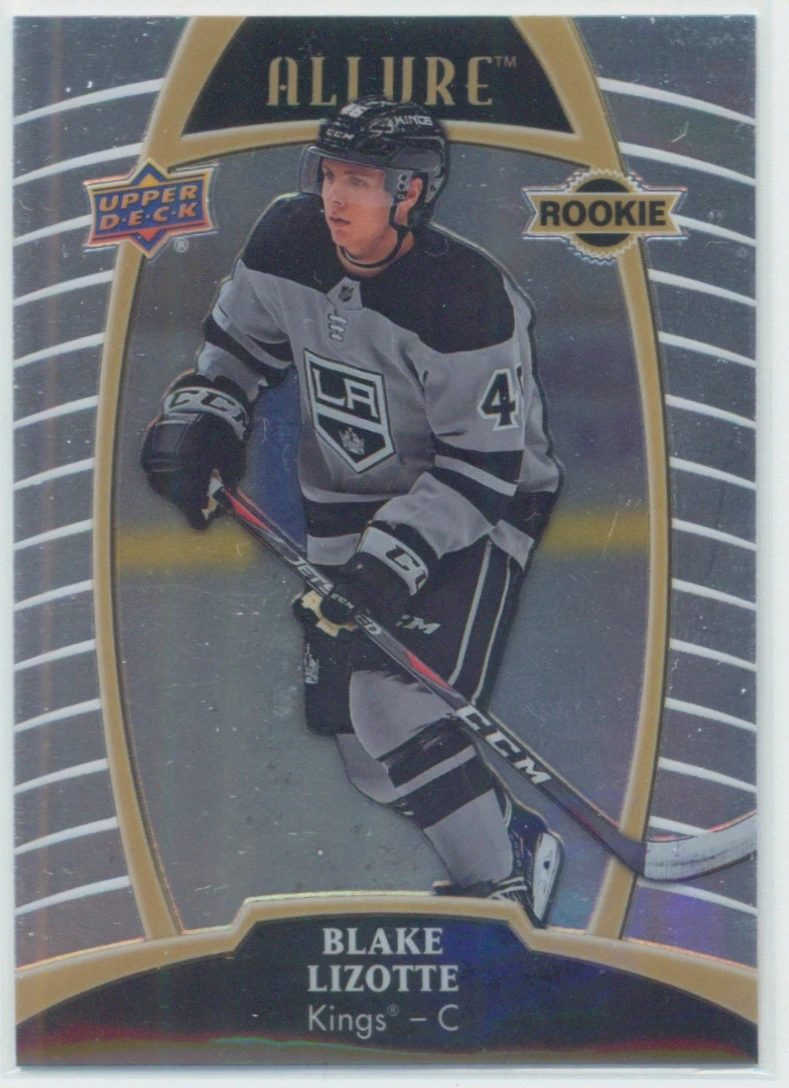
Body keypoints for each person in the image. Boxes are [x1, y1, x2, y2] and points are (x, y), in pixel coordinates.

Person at [141, 95, 563, 926]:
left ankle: (498, 898)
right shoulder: (285, 238)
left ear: (411, 193)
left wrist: (391, 561)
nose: (334, 197)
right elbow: (235, 350)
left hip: (476, 507)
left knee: (391, 704)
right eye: (330, 174)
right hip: (341, 504)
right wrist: (202, 418)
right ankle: (509, 836)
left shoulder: (466, 295)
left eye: (360, 182)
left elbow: (483, 467)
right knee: (366, 751)